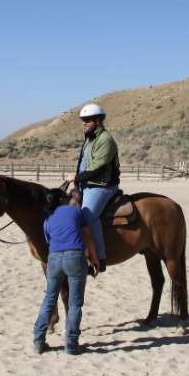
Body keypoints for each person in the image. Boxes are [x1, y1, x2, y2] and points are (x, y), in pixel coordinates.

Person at [33, 190, 100, 355]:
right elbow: (88, 238)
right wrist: (95, 259)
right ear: (62, 199)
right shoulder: (76, 211)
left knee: (49, 299)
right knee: (75, 302)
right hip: (75, 257)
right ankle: (71, 344)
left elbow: (50, 241)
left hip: (54, 259)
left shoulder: (47, 219)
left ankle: (38, 342)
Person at [65, 103, 120, 274]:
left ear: (97, 121)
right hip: (87, 184)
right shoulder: (90, 138)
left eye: (87, 120)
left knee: (87, 216)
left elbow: (97, 169)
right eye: (82, 120)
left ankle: (100, 259)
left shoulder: (105, 140)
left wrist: (76, 177)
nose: (83, 123)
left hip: (102, 186)